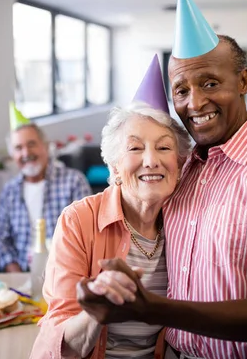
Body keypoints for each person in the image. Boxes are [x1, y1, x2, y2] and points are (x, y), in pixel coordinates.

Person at [76, 0, 247, 359]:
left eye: (210, 83)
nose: (195, 102)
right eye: (180, 90)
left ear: (244, 82)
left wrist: (147, 307)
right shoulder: (187, 168)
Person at [30, 56, 192, 359]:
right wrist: (97, 309)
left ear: (180, 165)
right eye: (135, 148)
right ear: (115, 168)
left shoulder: (190, 222)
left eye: (164, 147)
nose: (151, 160)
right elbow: (59, 341)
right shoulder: (78, 220)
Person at [0, 103, 92, 272]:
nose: (26, 153)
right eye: (18, 148)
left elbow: (87, 234)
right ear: (12, 155)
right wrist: (16, 274)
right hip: (23, 274)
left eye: (31, 144)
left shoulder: (74, 181)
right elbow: (2, 239)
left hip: (66, 272)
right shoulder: (10, 190)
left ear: (45, 147)